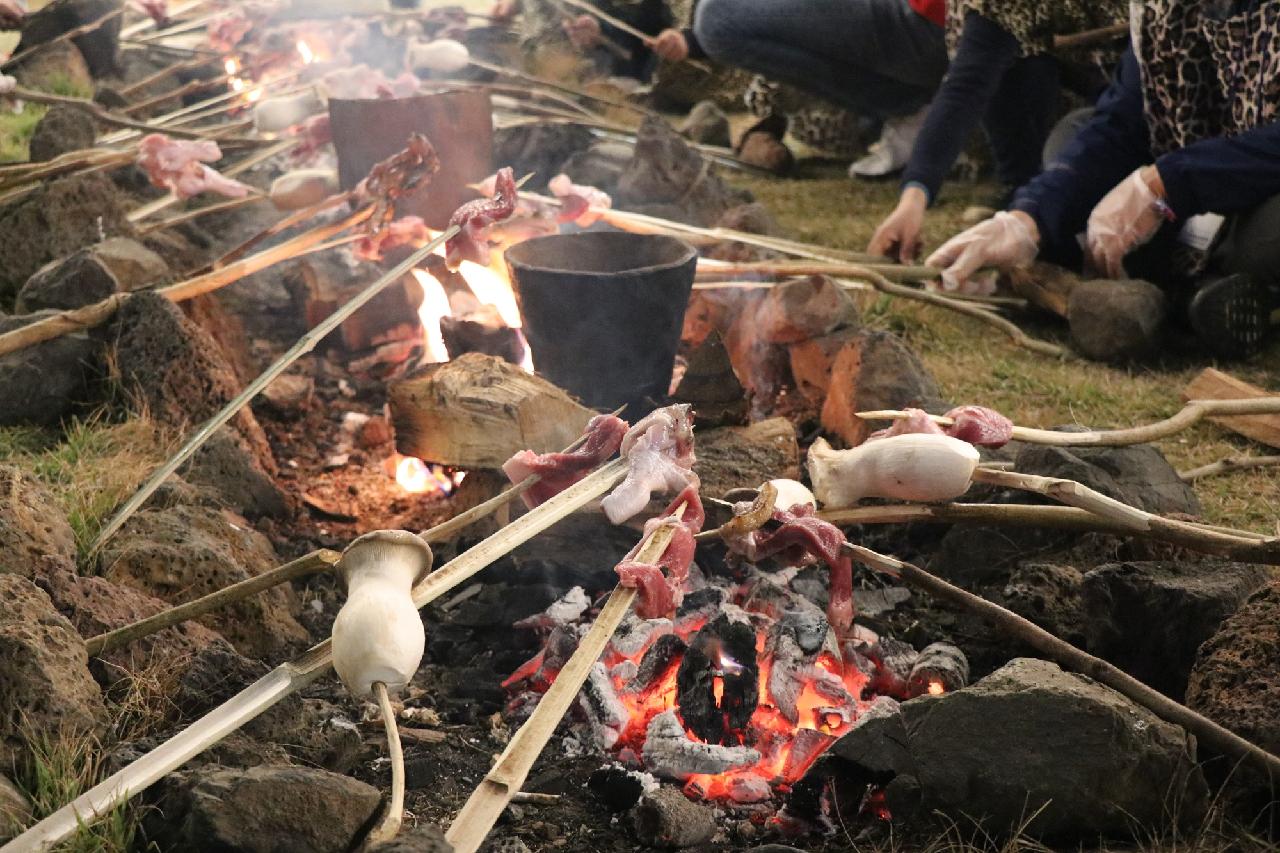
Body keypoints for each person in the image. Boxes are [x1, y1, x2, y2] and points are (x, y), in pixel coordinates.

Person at [926, 0, 1280, 359]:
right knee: (1070, 137)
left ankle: (1202, 291)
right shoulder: (1160, 8)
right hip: (1189, 191)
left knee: (1270, 234)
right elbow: (1123, 125)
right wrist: (1029, 217)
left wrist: (1167, 181)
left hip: (1253, 188)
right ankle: (1184, 292)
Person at [867, 0, 1127, 263]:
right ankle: (1023, 195)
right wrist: (913, 200)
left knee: (1077, 157)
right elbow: (966, 86)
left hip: (1141, 119)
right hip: (1099, 114)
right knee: (1025, 70)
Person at [686, 0, 949, 175]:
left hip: (932, 21)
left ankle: (908, 107)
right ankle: (908, 108)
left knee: (718, 20)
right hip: (942, 28)